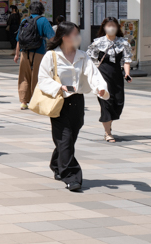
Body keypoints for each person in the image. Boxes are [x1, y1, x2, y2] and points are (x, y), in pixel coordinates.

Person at [41, 24, 109, 191]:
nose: (78, 37)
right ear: (64, 36)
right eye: (75, 34)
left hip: (77, 101)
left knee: (70, 138)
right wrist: (59, 87)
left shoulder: (82, 56)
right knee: (65, 139)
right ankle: (71, 176)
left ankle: (57, 164)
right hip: (59, 100)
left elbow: (93, 74)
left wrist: (100, 88)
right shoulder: (51, 56)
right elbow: (42, 79)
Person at [90, 18, 133, 142]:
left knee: (118, 103)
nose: (111, 28)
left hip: (117, 76)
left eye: (114, 25)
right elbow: (91, 61)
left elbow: (126, 59)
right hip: (102, 76)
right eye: (108, 25)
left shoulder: (123, 42)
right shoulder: (97, 43)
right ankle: (107, 133)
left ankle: (109, 126)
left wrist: (127, 73)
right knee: (106, 103)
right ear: (104, 27)